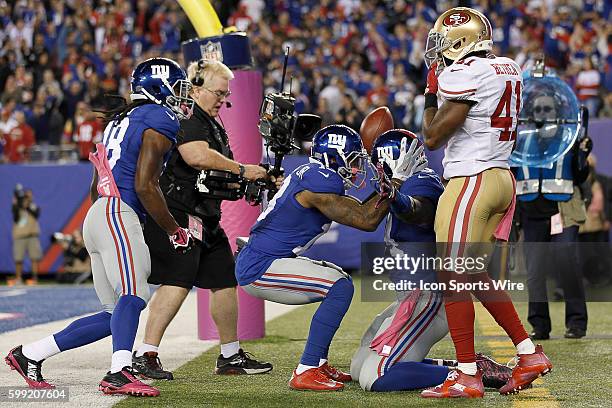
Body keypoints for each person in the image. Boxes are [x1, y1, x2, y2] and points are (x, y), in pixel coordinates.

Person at [6, 57, 194, 397]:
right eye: (177, 88)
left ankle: (29, 354)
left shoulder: (120, 120)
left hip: (100, 213)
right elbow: (145, 185)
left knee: (114, 314)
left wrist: (103, 217)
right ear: (160, 87)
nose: (181, 97)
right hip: (118, 212)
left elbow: (98, 181)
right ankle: (119, 372)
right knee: (135, 295)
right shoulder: (159, 117)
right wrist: (172, 229)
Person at [420, 7, 551, 398]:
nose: (438, 52)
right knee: (473, 274)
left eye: (442, 43)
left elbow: (432, 136)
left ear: (460, 42)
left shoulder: (464, 73)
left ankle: (466, 373)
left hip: (471, 180)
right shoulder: (508, 67)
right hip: (501, 179)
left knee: (452, 273)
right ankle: (528, 353)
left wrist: (430, 94)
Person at [235, 124, 423, 391]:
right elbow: (366, 219)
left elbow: (362, 209)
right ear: (335, 156)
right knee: (339, 286)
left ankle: (318, 362)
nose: (357, 168)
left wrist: (390, 187)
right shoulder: (319, 180)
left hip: (267, 259)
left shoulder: (314, 174)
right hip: (261, 266)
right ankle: (307, 369)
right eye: (354, 160)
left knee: (340, 280)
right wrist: (396, 182)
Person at [132, 59, 274, 380]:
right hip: (178, 212)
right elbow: (195, 156)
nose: (223, 100)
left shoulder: (211, 119)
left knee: (224, 280)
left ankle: (229, 355)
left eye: (226, 94)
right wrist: (242, 169)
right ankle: (146, 353)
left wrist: (251, 180)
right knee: (178, 280)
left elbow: (214, 175)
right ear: (195, 88)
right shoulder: (186, 115)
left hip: (205, 214)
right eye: (218, 92)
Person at [351, 130, 512, 392]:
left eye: (380, 163)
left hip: (429, 299)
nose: (377, 169)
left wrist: (396, 195)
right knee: (359, 368)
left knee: (376, 377)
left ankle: (472, 374)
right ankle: (460, 366)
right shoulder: (405, 182)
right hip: (410, 299)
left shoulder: (422, 181)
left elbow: (420, 211)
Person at [514, 94, 592, 339]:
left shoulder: (569, 139)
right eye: (538, 108)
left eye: (547, 108)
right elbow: (514, 178)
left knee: (567, 261)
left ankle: (577, 322)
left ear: (557, 111)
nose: (543, 113)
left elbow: (579, 176)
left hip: (562, 210)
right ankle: (539, 325)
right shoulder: (521, 141)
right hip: (530, 212)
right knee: (535, 272)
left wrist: (582, 155)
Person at [10, 185, 41, 286]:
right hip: (19, 236)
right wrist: (17, 204)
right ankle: (18, 278)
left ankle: (34, 278)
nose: (28, 197)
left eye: (29, 196)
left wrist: (27, 206)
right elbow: (15, 218)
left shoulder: (33, 206)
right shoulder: (16, 206)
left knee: (34, 258)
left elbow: (36, 214)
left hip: (32, 235)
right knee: (18, 259)